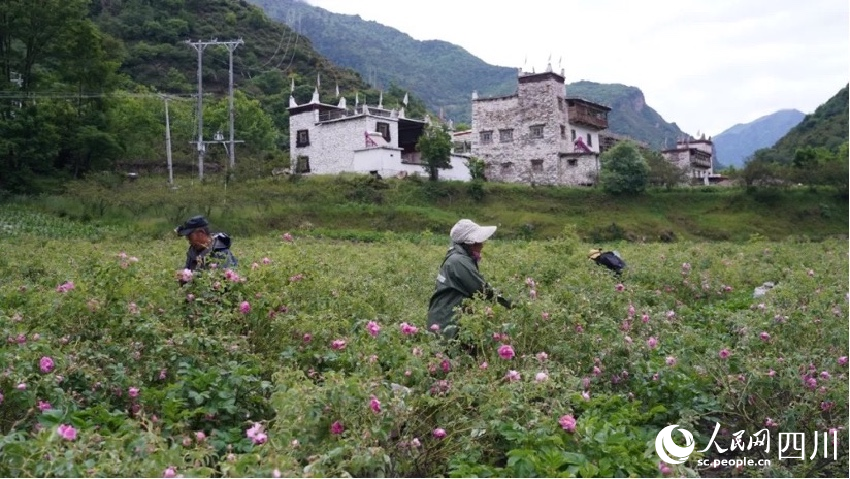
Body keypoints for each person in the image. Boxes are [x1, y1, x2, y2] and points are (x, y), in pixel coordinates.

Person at [427, 219, 512, 340]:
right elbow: (482, 290)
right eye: (478, 242)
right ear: (469, 243)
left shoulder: (456, 257)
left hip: (443, 318)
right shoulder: (458, 262)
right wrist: (511, 303)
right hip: (445, 323)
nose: (482, 245)